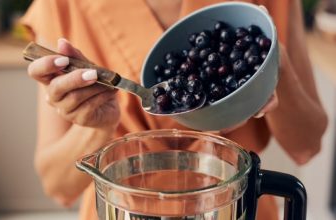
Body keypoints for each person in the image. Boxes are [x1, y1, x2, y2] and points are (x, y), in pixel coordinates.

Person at [21, 0, 328, 219]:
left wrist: (274, 68)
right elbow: (57, 185)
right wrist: (99, 127)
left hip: (235, 208)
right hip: (123, 212)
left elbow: (308, 144)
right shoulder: (61, 5)